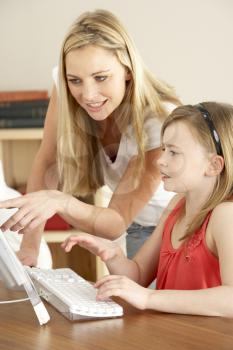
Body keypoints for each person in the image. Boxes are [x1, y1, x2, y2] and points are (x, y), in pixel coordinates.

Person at [0, 9, 180, 266]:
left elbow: (115, 223)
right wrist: (30, 248)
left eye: (101, 77)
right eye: (75, 80)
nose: (88, 95)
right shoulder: (65, 85)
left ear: (128, 70)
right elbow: (48, 162)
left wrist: (59, 201)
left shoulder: (158, 122)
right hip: (138, 228)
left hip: (179, 232)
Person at [61, 102, 233, 317]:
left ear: (214, 165)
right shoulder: (177, 206)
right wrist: (114, 255)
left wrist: (148, 297)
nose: (160, 160)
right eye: (163, 149)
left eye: (173, 152)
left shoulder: (226, 216)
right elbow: (138, 275)